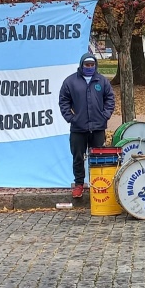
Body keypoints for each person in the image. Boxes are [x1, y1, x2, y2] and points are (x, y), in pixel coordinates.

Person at [58, 53, 116, 198]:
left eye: (92, 65)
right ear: (81, 65)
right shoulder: (70, 82)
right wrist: (71, 118)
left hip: (98, 127)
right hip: (78, 128)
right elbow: (63, 100)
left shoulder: (101, 81)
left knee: (97, 157)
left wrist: (105, 115)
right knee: (78, 156)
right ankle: (79, 184)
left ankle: (97, 183)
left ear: (95, 65)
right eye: (87, 65)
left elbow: (110, 98)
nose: (89, 67)